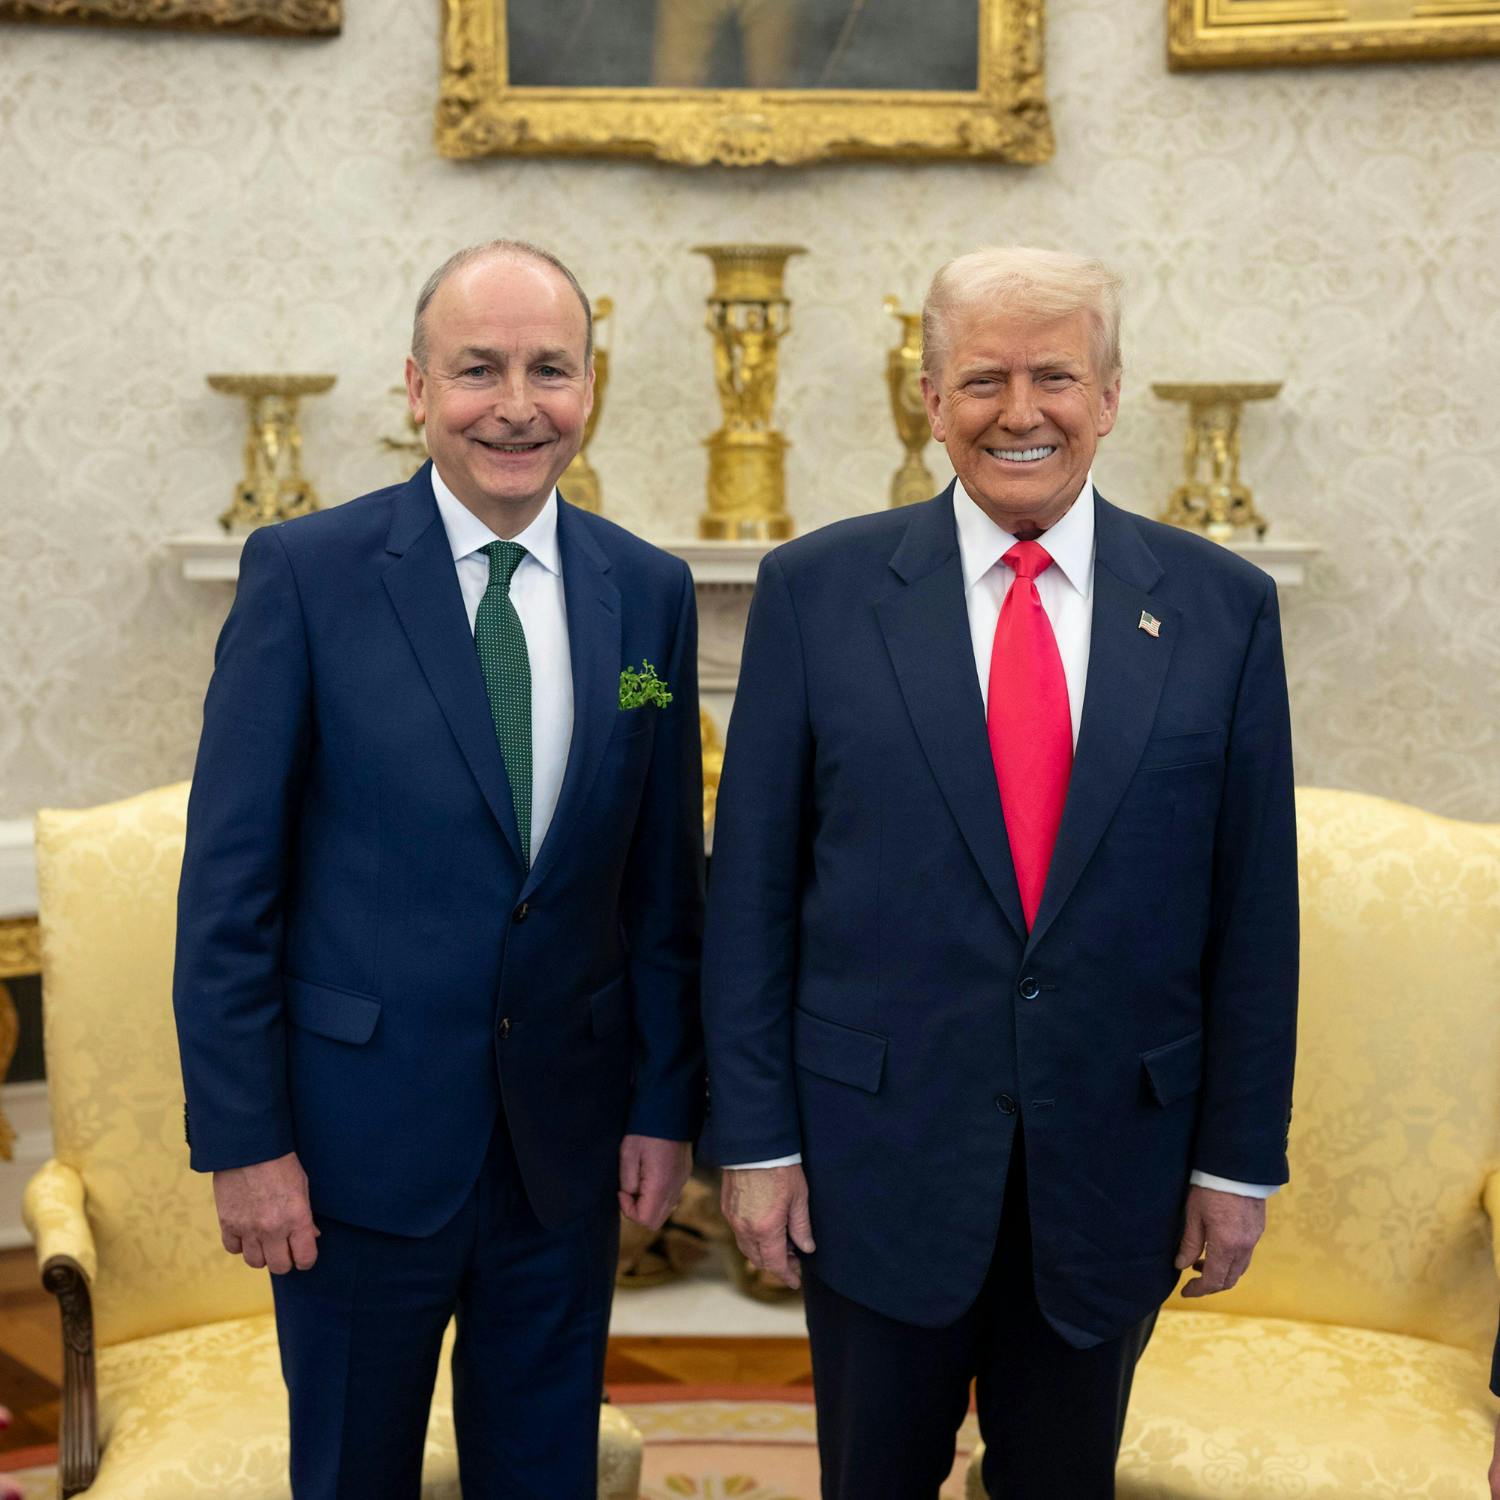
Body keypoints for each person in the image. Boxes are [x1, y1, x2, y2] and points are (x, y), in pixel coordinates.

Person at [701, 245, 1298, 1498]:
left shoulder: (1221, 608)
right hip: (874, 1165)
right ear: (931, 399)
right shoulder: (815, 594)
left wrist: (1235, 1164)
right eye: (983, 379)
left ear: (1111, 394)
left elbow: (1253, 913)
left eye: (1055, 377)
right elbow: (748, 899)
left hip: (1115, 1170)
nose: (1020, 412)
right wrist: (752, 1143)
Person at [173, 240, 705, 1498]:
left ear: (590, 388)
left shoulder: (649, 594)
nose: (517, 405)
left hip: (563, 1156)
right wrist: (246, 1144)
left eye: (550, 369)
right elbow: (229, 895)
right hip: (352, 1160)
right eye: (479, 370)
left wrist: (663, 1105)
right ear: (417, 388)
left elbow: (661, 887)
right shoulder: (305, 575)